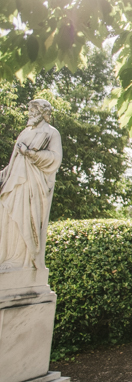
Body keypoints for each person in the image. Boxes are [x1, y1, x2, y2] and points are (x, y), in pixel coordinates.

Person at [0, 99, 62, 270]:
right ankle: (8, 258)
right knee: (9, 218)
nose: (30, 113)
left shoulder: (51, 133)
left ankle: (23, 262)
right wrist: (3, 176)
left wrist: (31, 154)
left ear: (42, 112)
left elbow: (55, 159)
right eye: (29, 110)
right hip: (14, 183)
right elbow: (12, 162)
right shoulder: (24, 133)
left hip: (33, 184)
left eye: (33, 110)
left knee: (25, 219)